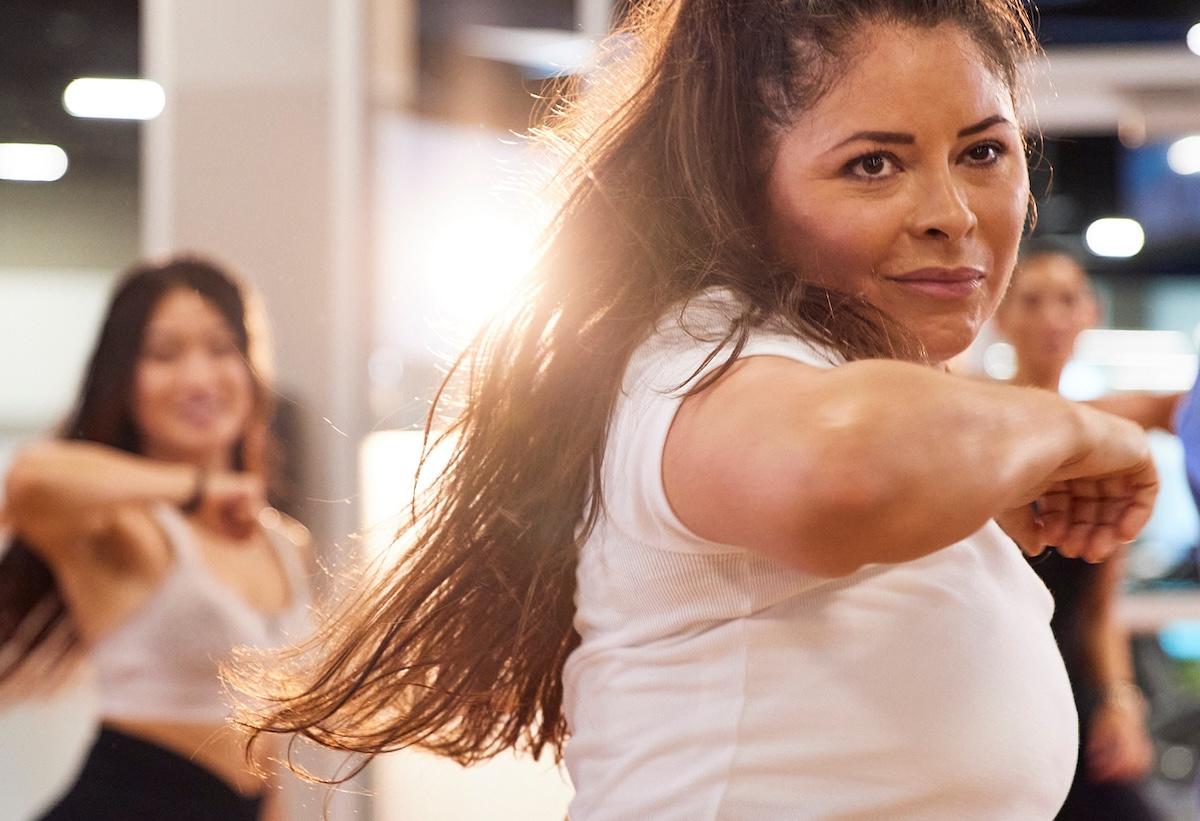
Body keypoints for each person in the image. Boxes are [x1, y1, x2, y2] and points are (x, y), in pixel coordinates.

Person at [236, 2, 1159, 818]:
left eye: (983, 151)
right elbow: (837, 469)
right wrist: (1085, 427)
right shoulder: (698, 359)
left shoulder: (864, 379)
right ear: (740, 191)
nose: (951, 212)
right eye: (873, 164)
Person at [0, 256, 312, 821]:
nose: (197, 379)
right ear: (125, 379)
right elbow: (27, 480)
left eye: (220, 349)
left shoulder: (285, 544)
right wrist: (194, 488)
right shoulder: (122, 528)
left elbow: (264, 750)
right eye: (163, 355)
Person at [995, 249, 1183, 821]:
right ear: (1002, 316)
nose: (1052, 316)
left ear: (1091, 313)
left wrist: (1120, 702)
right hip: (992, 689)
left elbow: (1100, 608)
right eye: (1033, 300)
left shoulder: (1106, 436)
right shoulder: (976, 423)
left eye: (1068, 299)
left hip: (1072, 692)